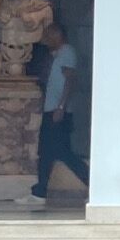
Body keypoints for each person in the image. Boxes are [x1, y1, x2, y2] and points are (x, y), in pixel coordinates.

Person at [18, 23, 89, 206]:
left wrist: (61, 106)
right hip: (53, 110)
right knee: (50, 153)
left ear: (58, 34)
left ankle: (92, 184)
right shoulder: (57, 56)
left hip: (58, 112)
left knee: (62, 154)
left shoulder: (67, 52)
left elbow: (70, 81)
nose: (47, 40)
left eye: (49, 35)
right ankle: (39, 192)